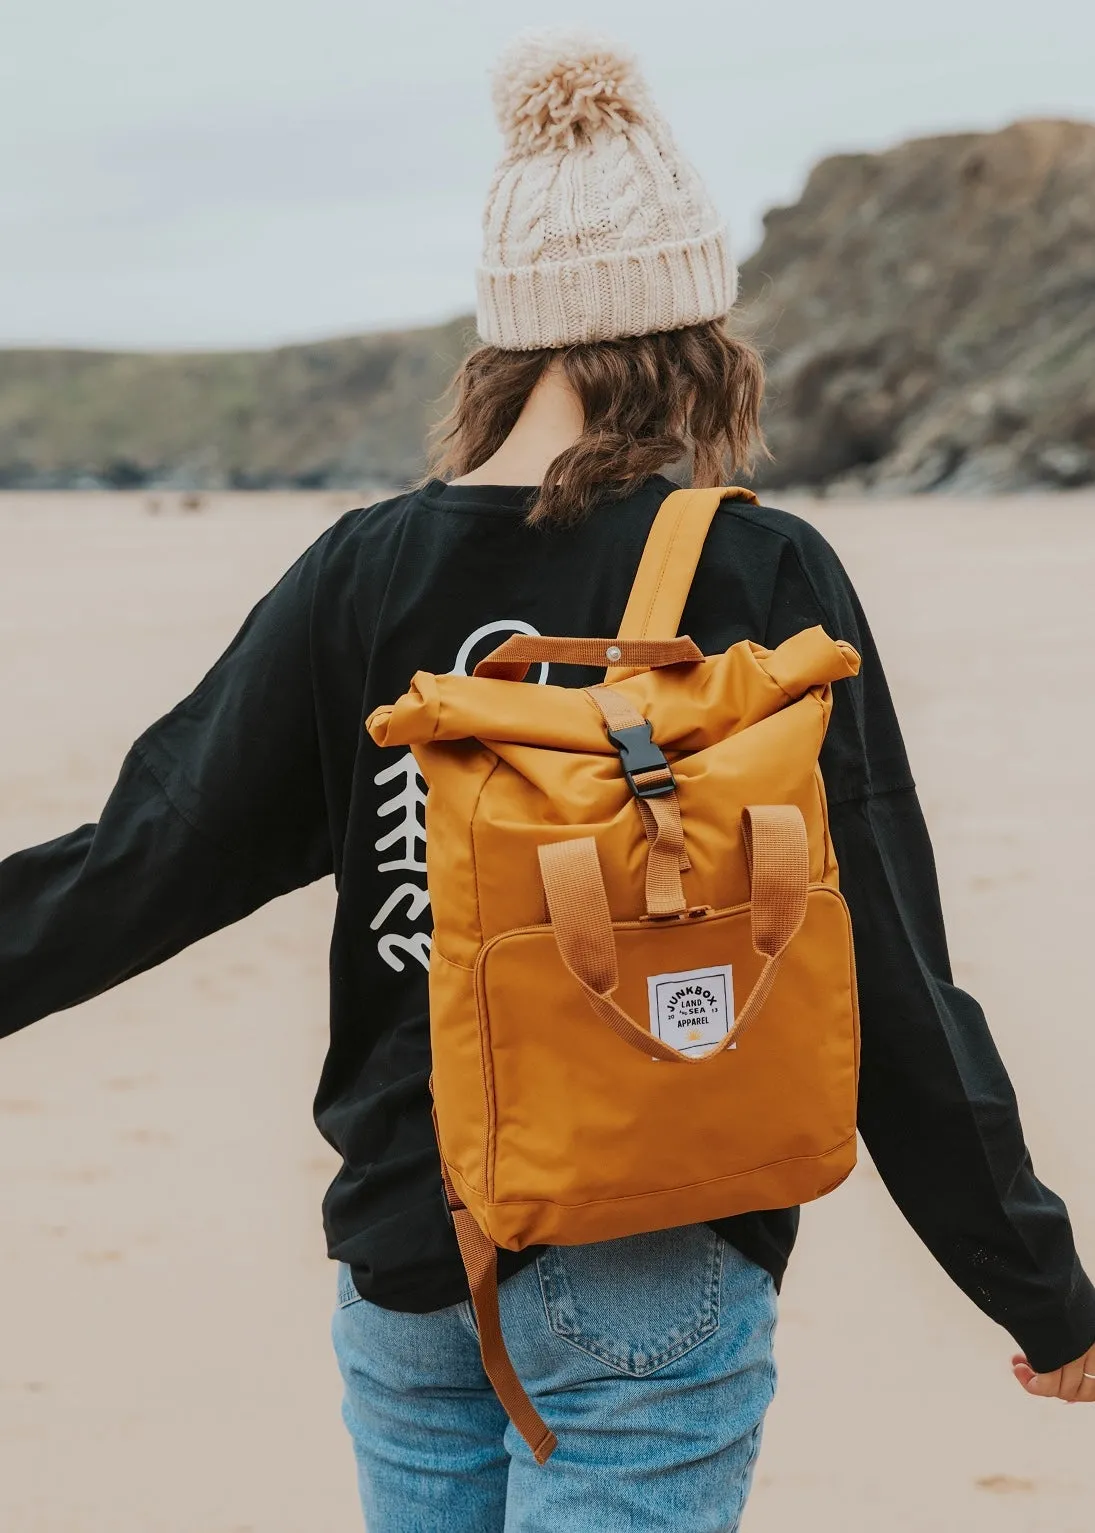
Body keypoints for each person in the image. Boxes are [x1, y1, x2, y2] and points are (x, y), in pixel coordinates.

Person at [2, 26, 1093, 1533]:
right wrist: (1036, 1286)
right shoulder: (760, 570)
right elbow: (886, 972)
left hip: (407, 1248)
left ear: (502, 343)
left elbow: (140, 863)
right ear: (702, 340)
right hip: (650, 1238)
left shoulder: (359, 574)